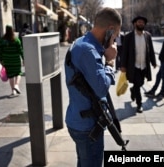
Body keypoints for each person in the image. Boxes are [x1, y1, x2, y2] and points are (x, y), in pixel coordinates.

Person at [64, 7, 121, 167]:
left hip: (79, 120)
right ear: (110, 30)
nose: (115, 41)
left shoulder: (84, 44)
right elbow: (101, 88)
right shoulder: (87, 51)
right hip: (87, 126)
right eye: (115, 35)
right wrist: (110, 62)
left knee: (84, 162)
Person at [121, 16, 157, 113]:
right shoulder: (128, 37)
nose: (141, 24)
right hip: (134, 65)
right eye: (139, 22)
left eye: (142, 22)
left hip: (144, 65)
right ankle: (139, 104)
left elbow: (151, 51)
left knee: (140, 83)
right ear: (135, 24)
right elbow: (124, 52)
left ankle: (133, 90)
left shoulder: (147, 36)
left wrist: (153, 62)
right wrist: (123, 66)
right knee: (137, 84)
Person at [0, 25, 24, 97]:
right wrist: (23, 58)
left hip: (7, 60)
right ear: (12, 30)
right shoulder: (16, 40)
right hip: (15, 60)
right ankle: (16, 85)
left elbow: (0, 51)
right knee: (18, 73)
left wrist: (1, 60)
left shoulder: (2, 40)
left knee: (10, 75)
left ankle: (13, 91)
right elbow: (20, 50)